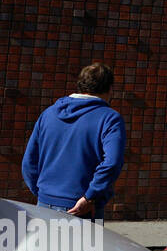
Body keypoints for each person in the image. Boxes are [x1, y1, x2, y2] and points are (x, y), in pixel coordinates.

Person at [21, 62, 125, 221]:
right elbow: (112, 162)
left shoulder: (48, 114)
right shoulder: (109, 118)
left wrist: (42, 192)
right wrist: (90, 196)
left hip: (44, 201)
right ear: (110, 89)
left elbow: (29, 162)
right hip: (83, 206)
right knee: (84, 246)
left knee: (47, 246)